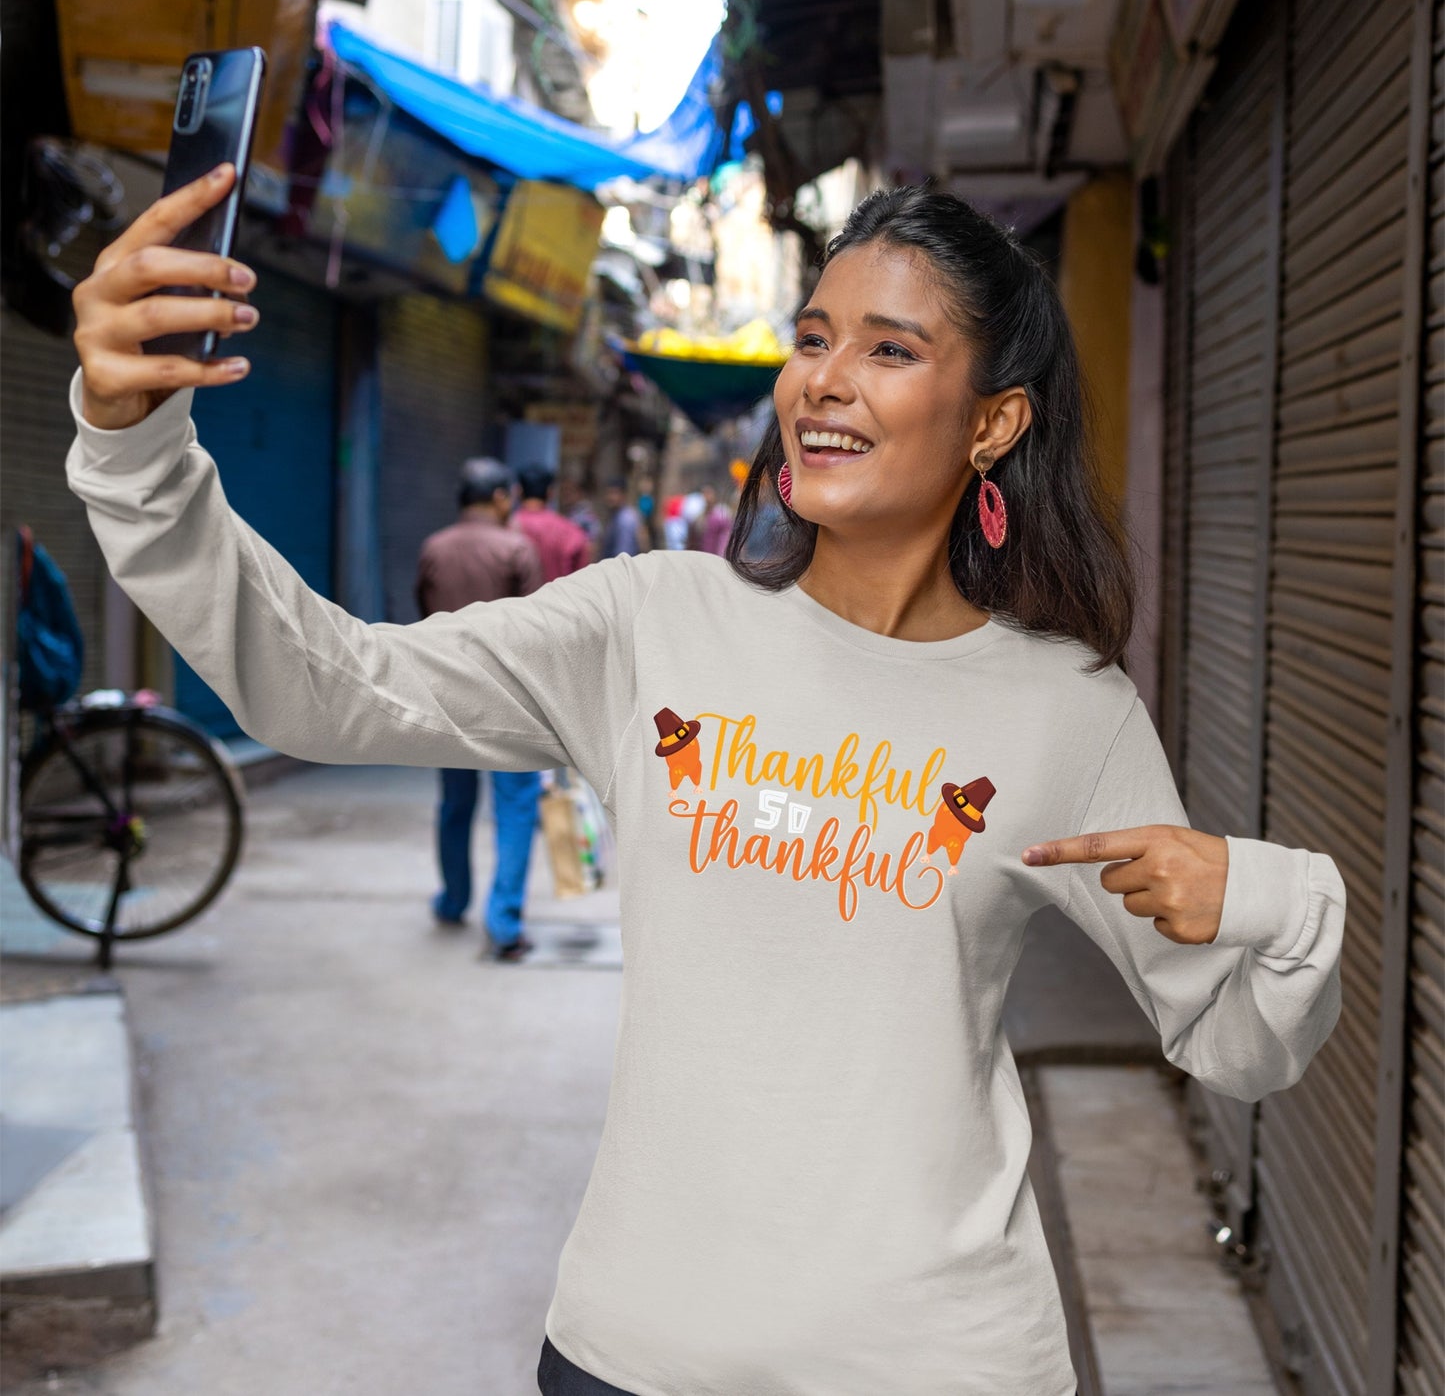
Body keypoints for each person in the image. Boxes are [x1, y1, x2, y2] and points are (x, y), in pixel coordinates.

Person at [67, 168, 1346, 1396]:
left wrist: (1276, 899)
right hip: (638, 1352)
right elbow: (323, 684)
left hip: (937, 1363)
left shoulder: (1062, 710)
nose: (823, 384)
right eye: (812, 337)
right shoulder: (651, 621)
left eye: (888, 350)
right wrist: (139, 458)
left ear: (995, 420)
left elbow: (1231, 1043)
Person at [415, 457, 543, 960]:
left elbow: (423, 619)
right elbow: (540, 633)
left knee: (455, 805)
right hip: (509, 703)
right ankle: (504, 922)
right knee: (515, 807)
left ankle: (452, 901)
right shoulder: (516, 548)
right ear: (498, 498)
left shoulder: (433, 549)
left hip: (447, 697)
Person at [512, 464, 591, 583]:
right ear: (550, 492)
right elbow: (582, 581)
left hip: (511, 602)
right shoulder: (571, 531)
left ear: (518, 491)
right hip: (558, 601)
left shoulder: (505, 528)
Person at [599, 479, 645, 558]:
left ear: (623, 495)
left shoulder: (625, 519)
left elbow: (623, 553)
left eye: (614, 493)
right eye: (608, 493)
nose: (610, 497)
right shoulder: (615, 516)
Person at [684, 482, 734, 556]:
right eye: (704, 494)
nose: (706, 497)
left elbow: (725, 538)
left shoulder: (721, 514)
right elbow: (692, 538)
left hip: (716, 556)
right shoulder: (698, 516)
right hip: (701, 555)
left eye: (708, 494)